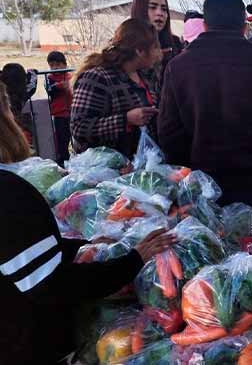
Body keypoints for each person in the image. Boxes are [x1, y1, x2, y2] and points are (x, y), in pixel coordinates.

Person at [0, 82, 177, 363]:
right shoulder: (8, 193)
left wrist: (84, 245)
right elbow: (51, 285)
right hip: (21, 345)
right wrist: (132, 260)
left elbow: (20, 255)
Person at [158, 0, 252, 251]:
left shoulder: (179, 67)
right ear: (243, 26)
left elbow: (169, 134)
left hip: (205, 189)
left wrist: (190, 174)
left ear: (204, 25)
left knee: (213, 270)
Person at [70, 19, 161, 158]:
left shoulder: (144, 76)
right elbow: (79, 127)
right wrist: (126, 120)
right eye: (155, 47)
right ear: (140, 51)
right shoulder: (97, 77)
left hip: (140, 165)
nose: (158, 53)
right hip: (107, 170)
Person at [130, 0, 183, 95]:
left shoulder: (176, 45)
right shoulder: (126, 46)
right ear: (140, 10)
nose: (160, 13)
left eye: (164, 9)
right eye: (153, 7)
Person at [45, 52, 73, 165]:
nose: (55, 67)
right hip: (59, 114)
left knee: (76, 138)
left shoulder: (70, 76)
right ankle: (63, 161)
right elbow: (50, 91)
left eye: (58, 64)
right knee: (62, 139)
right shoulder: (49, 78)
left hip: (72, 112)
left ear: (65, 64)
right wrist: (61, 85)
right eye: (52, 65)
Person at [0, 63, 35, 143]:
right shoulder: (24, 91)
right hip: (20, 126)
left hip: (6, 126)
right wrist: (32, 72)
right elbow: (33, 84)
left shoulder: (3, 93)